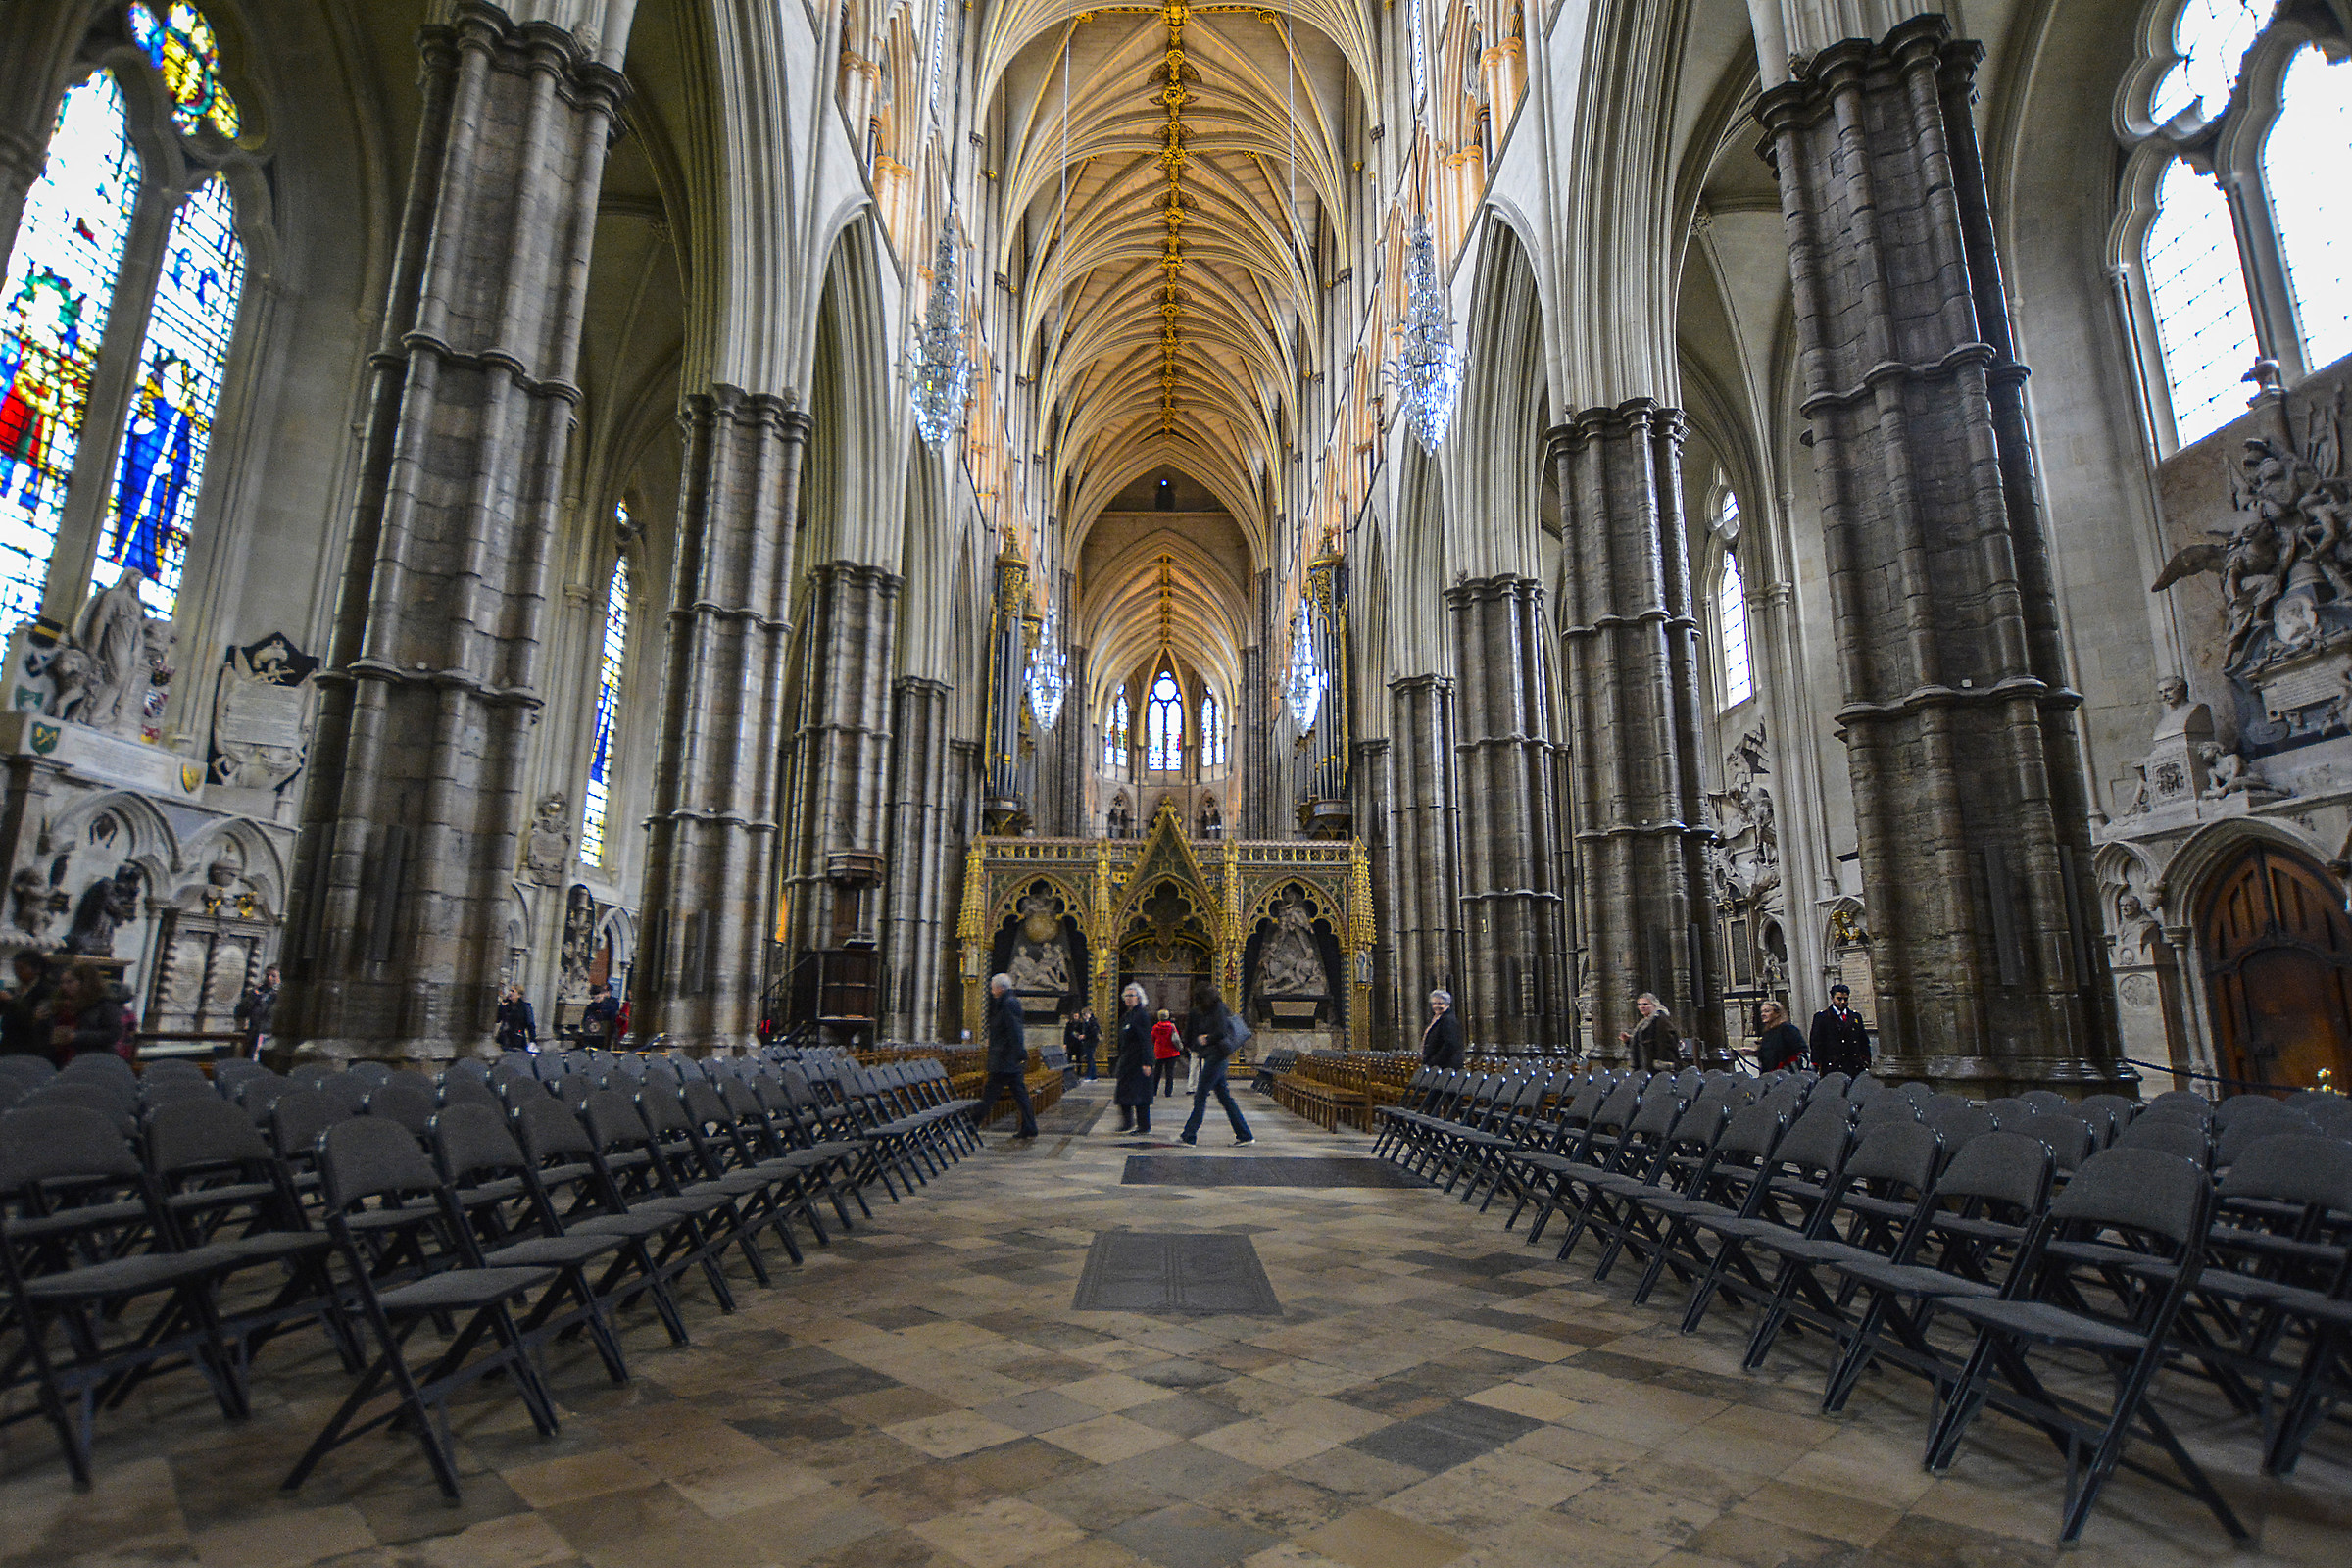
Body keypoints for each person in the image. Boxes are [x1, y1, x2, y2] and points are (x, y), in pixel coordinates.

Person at [1180, 983, 1254, 1146]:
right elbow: (1191, 1033)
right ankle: (1245, 1134)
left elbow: (1221, 1031)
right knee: (1224, 1097)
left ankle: (1189, 1134)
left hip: (1218, 1055)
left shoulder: (1219, 1008)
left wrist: (1207, 1038)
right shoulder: (1199, 1012)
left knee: (1200, 1094)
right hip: (1211, 1055)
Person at [975, 973, 1039, 1141]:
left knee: (990, 1094)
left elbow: (1014, 1030)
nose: (992, 991)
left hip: (1005, 1059)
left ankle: (972, 1124)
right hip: (1007, 1058)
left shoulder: (1009, 1003)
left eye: (993, 988)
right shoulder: (1006, 1002)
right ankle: (1029, 1126)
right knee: (1019, 1094)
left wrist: (1019, 1053)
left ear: (1001, 988)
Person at [44, 960, 126, 1064]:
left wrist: (77, 1036)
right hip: (59, 1059)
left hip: (92, 1059)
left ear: (85, 982)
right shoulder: (59, 1004)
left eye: (70, 982)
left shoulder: (103, 1005)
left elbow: (114, 1033)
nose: (64, 987)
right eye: (62, 982)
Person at [1112, 984, 1155, 1135]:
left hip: (1138, 1061)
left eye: (1132, 996)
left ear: (1139, 998)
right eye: (1126, 996)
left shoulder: (1141, 1015)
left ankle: (1143, 1126)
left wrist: (1147, 1063)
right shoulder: (1127, 1015)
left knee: (1140, 1095)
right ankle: (1127, 1122)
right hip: (1127, 1060)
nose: (1128, 999)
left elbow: (1145, 1041)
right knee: (1124, 1093)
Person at [1, 952, 56, 1056]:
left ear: (37, 969)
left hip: (30, 1046)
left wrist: (12, 1000)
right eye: (15, 969)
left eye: (21, 969)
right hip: (8, 1043)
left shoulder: (46, 991)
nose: (17, 973)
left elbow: (35, 1016)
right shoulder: (15, 990)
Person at [1809, 984, 1871, 1076]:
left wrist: (1866, 1061)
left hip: (1854, 1065)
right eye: (1839, 999)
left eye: (1846, 999)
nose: (1842, 1002)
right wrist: (1816, 1063)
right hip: (1833, 1066)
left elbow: (1863, 1041)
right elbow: (1816, 1043)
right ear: (1832, 998)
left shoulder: (1855, 1017)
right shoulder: (1822, 1018)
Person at [1620, 991, 1679, 1070]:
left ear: (1654, 1005)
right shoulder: (1644, 1022)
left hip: (1656, 1065)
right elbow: (1642, 1042)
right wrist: (1629, 1040)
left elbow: (1667, 1042)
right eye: (1639, 1004)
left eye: (1646, 1004)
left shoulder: (1660, 1020)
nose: (1642, 1007)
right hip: (1644, 1063)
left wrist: (1663, 1062)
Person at [232, 964, 279, 1058]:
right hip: (253, 1036)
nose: (269, 978)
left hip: (269, 1037)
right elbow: (240, 1012)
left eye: (273, 976)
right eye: (267, 976)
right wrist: (253, 996)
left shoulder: (282, 996)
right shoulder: (258, 993)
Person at [1755, 1000, 1807, 1072]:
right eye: (1762, 1012)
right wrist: (1754, 1052)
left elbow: (1801, 1050)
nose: (1763, 1014)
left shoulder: (1787, 1029)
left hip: (1787, 1073)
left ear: (1777, 1013)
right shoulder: (1767, 1032)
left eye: (1767, 1011)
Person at [1420, 989, 1464, 1068]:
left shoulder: (1448, 1020)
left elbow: (1451, 1045)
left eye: (1440, 1003)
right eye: (1434, 1003)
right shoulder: (1437, 1018)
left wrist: (1433, 1062)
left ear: (1448, 1004)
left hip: (1446, 1066)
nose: (1436, 1006)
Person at [495, 984, 538, 1053]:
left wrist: (532, 1040)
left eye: (513, 991)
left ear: (519, 995)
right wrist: (501, 1007)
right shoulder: (506, 1005)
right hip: (503, 1038)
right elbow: (497, 1019)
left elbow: (530, 1024)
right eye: (510, 991)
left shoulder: (525, 1007)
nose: (510, 993)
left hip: (518, 1037)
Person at [1063, 1005, 1101, 1081]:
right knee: (1090, 1059)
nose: (1084, 1017)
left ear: (1089, 1014)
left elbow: (1093, 1033)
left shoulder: (1092, 1022)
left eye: (1085, 1015)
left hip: (1091, 1042)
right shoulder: (1086, 1022)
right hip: (1087, 1042)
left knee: (1090, 1059)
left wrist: (1084, 1036)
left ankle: (1090, 1076)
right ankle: (1092, 1076)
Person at [1151, 1009, 1182, 1097]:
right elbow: (1176, 1037)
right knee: (1170, 1073)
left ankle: (1154, 1090)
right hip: (1172, 1052)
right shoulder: (1172, 1027)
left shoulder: (1155, 1027)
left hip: (1160, 1052)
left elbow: (1152, 1039)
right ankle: (1168, 1092)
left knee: (1157, 1072)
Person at [582, 983, 620, 1049]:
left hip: (606, 1029)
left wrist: (602, 1004)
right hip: (592, 1029)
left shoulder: (613, 1001)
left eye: (604, 991)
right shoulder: (593, 1004)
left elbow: (610, 1012)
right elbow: (588, 1013)